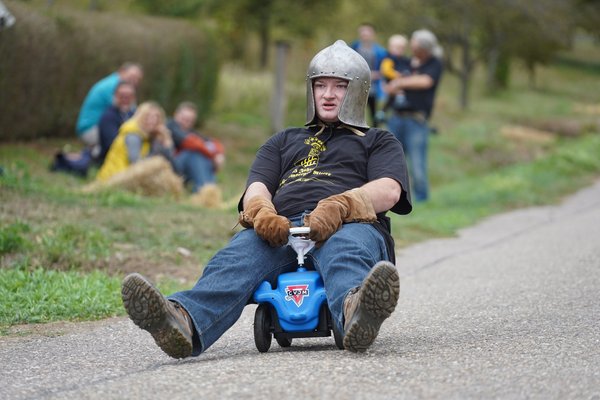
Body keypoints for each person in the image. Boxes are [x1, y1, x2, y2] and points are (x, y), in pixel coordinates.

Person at [120, 40, 412, 358]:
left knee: (346, 251)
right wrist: (261, 213)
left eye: (339, 86)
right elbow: (256, 188)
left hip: (350, 224)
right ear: (310, 90)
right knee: (234, 259)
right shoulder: (283, 141)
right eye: (321, 85)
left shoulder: (378, 140)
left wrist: (339, 205)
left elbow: (389, 189)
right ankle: (182, 321)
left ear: (357, 90)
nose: (328, 94)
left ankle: (357, 313)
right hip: (282, 227)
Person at [385, 29, 443, 202]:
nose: (411, 45)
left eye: (414, 43)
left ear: (424, 47)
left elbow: (425, 81)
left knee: (417, 164)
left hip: (416, 120)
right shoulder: (406, 62)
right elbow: (389, 85)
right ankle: (395, 199)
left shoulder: (434, 63)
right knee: (393, 163)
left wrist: (400, 82)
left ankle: (422, 199)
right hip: (396, 117)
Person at [76, 62, 143, 158]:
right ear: (122, 71)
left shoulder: (112, 82)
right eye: (133, 76)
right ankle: (93, 154)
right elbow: (130, 111)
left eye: (138, 79)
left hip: (95, 127)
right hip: (90, 129)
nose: (135, 81)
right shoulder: (114, 86)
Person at [96, 101, 173, 182]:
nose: (152, 121)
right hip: (113, 179)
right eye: (148, 117)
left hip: (124, 178)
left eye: (156, 117)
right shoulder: (133, 135)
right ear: (140, 117)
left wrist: (166, 139)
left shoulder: (148, 137)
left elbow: (170, 161)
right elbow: (137, 165)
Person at [167, 102, 225, 193]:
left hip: (184, 170)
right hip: (170, 167)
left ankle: (209, 191)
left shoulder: (191, 131)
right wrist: (212, 154)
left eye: (189, 120)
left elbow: (212, 142)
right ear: (176, 114)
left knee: (202, 157)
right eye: (184, 118)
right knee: (193, 154)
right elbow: (191, 143)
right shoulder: (170, 126)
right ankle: (204, 191)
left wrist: (218, 153)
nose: (186, 122)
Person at [350, 23, 388, 128]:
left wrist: (378, 74)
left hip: (373, 87)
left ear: (373, 34)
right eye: (363, 32)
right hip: (356, 86)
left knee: (374, 112)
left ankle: (375, 135)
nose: (365, 35)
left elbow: (385, 69)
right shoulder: (353, 48)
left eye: (368, 32)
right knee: (355, 112)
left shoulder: (380, 52)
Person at [97, 81, 137, 164]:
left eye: (129, 96)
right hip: (112, 160)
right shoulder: (109, 116)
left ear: (133, 98)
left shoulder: (134, 114)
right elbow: (112, 144)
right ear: (115, 96)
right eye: (121, 96)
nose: (125, 99)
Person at [380, 34, 412, 118]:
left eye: (401, 48)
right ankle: (383, 112)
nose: (398, 50)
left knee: (399, 96)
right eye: (396, 47)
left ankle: (400, 108)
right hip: (391, 82)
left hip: (404, 83)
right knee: (391, 98)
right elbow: (386, 70)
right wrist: (396, 75)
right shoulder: (388, 58)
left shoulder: (405, 60)